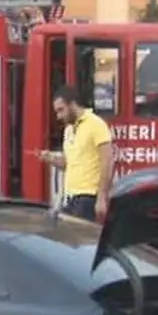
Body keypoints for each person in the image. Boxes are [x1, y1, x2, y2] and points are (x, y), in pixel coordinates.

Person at [39, 84, 113, 222]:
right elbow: (69, 163)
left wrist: (102, 197)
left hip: (88, 197)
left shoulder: (96, 124)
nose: (58, 116)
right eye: (57, 112)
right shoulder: (68, 130)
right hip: (70, 197)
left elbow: (107, 161)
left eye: (61, 110)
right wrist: (51, 159)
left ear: (72, 104)